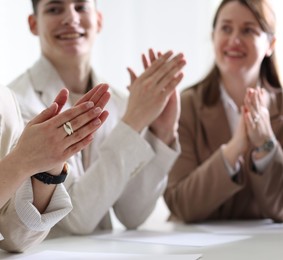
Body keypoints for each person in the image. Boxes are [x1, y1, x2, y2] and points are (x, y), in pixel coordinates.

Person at [9, 0, 186, 237]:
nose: (70, 18)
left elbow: (132, 214)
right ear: (33, 24)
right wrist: (133, 122)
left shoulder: (121, 102)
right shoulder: (16, 104)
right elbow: (75, 219)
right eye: (54, 9)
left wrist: (161, 133)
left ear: (99, 20)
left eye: (81, 7)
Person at [164, 0, 283, 223]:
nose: (234, 40)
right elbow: (181, 204)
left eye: (248, 30)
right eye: (226, 28)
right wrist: (234, 148)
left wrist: (266, 144)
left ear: (270, 44)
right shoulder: (186, 105)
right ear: (213, 36)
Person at [0, 84, 110, 252]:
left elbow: (15, 238)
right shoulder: (19, 97)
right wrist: (22, 161)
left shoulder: (5, 98)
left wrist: (49, 165)